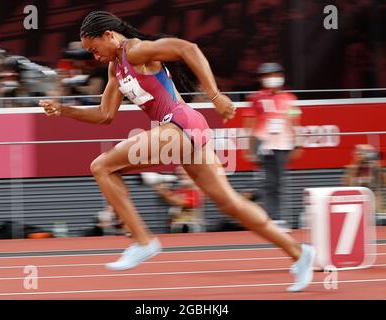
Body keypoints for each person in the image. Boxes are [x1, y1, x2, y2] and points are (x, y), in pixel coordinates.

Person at [39, 11, 314, 292]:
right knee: (231, 204)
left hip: (181, 125)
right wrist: (64, 110)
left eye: (94, 50)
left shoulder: (135, 50)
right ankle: (300, 252)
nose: (95, 58)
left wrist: (215, 96)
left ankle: (144, 241)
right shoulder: (115, 68)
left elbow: (187, 48)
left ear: (108, 35)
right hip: (182, 134)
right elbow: (104, 115)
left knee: (101, 166)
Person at [243, 62, 302, 232]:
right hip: (264, 143)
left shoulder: (289, 99)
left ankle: (275, 218)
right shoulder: (256, 98)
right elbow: (250, 123)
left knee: (278, 182)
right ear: (262, 79)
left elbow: (294, 121)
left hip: (283, 144)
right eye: (268, 76)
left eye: (275, 75)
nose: (272, 79)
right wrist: (250, 148)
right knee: (270, 182)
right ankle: (272, 219)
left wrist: (297, 143)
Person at [152, 166, 205, 233]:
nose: (181, 177)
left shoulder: (196, 189)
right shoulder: (181, 189)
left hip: (190, 227)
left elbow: (181, 202)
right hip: (178, 226)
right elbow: (172, 200)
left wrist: (165, 192)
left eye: (183, 174)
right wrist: (163, 191)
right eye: (179, 174)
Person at [343, 144, 385, 213]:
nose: (366, 156)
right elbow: (347, 184)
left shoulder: (375, 168)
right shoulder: (352, 168)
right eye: (361, 153)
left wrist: (377, 166)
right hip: (358, 205)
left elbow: (384, 182)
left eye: (368, 153)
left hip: (375, 205)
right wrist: (357, 163)